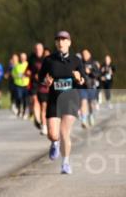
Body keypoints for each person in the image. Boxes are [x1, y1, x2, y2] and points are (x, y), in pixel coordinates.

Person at [41, 31, 85, 174]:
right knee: (53, 134)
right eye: (58, 40)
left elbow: (84, 80)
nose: (61, 42)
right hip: (54, 100)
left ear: (69, 43)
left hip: (71, 100)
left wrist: (79, 78)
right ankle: (55, 142)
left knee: (64, 132)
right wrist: (46, 82)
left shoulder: (76, 60)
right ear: (55, 43)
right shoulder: (49, 60)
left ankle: (65, 163)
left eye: (64, 40)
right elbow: (40, 78)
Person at [27, 42, 49, 134]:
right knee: (35, 101)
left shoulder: (46, 59)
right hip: (34, 84)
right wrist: (29, 73)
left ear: (43, 50)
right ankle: (37, 120)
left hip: (44, 85)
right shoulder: (31, 58)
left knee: (44, 106)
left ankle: (44, 126)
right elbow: (27, 70)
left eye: (39, 49)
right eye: (36, 49)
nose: (38, 51)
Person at [80, 48, 101, 128]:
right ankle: (84, 120)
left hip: (91, 86)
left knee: (90, 103)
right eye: (83, 54)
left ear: (89, 54)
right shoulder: (80, 63)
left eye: (86, 54)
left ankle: (91, 115)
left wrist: (90, 72)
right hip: (82, 86)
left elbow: (98, 74)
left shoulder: (93, 63)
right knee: (83, 102)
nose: (84, 55)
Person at [11, 53, 30, 119]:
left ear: (26, 58)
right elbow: (13, 74)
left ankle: (24, 112)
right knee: (19, 98)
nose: (23, 58)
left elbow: (31, 72)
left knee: (25, 99)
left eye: (24, 57)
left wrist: (27, 75)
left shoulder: (28, 65)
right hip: (18, 84)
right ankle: (19, 109)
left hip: (26, 84)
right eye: (21, 57)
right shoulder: (17, 65)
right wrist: (18, 76)